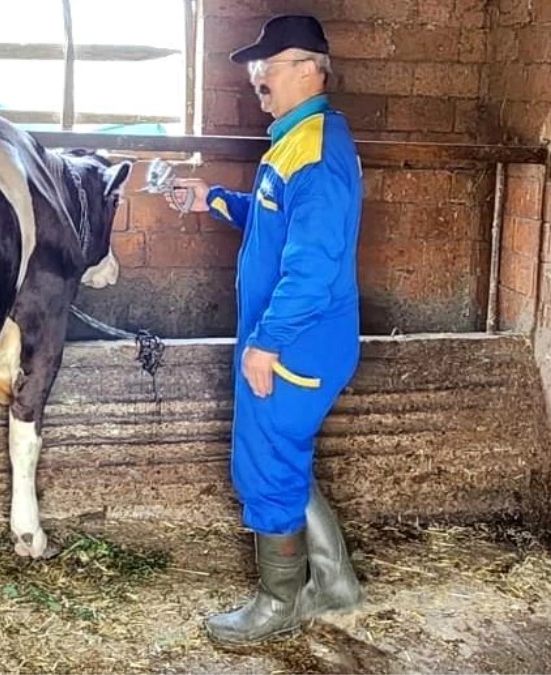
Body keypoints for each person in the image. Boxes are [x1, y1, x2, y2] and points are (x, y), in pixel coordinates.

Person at [165, 14, 365, 644]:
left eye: (268, 65)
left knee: (267, 464)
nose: (258, 77)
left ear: (309, 69)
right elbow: (275, 222)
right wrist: (214, 199)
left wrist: (269, 340)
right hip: (293, 333)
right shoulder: (299, 138)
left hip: (296, 340)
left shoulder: (315, 150)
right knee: (285, 455)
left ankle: (278, 604)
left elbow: (312, 265)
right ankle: (333, 586)